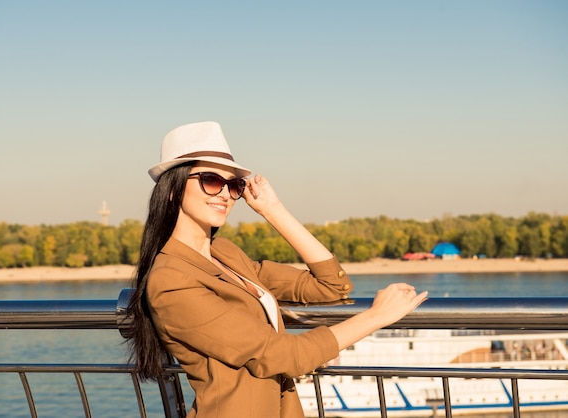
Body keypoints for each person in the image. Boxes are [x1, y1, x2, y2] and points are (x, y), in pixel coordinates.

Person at [126, 121, 428, 418]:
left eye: (234, 185)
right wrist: (377, 316)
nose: (224, 194)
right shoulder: (170, 280)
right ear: (172, 190)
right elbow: (282, 356)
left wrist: (273, 210)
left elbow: (331, 286)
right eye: (211, 180)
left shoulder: (227, 254)